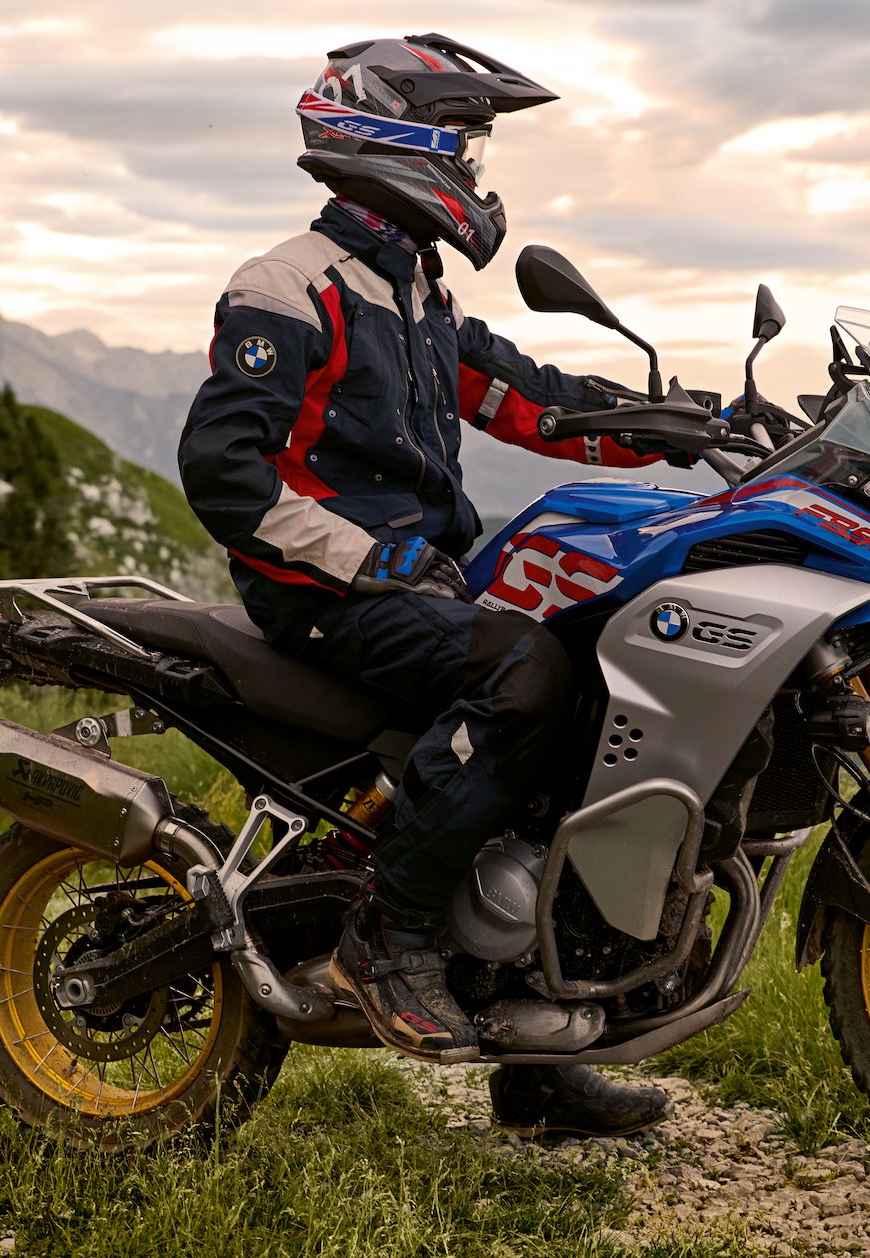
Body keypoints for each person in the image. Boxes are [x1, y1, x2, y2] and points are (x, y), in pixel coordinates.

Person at [178, 34, 671, 1138]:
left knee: (597, 675)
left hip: (415, 579)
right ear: (396, 141)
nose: (479, 173)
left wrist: (685, 424)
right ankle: (384, 942)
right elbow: (224, 474)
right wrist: (369, 557)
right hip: (321, 590)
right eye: (467, 145)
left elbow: (533, 401)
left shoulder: (418, 294)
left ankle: (538, 1048)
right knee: (525, 674)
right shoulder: (289, 286)